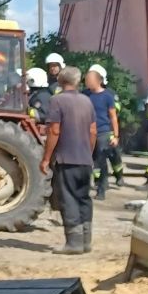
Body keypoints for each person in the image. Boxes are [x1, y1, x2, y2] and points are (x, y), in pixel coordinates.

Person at [40, 66, 97, 254]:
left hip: (67, 158)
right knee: (84, 198)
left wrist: (46, 158)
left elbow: (54, 131)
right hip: (85, 159)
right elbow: (93, 131)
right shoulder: (87, 101)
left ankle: (74, 243)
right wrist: (88, 152)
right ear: (77, 81)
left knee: (69, 198)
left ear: (60, 81)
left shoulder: (57, 101)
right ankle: (86, 240)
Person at [83, 65, 120, 200]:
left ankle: (101, 189)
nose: (87, 82)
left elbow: (113, 116)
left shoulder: (107, 96)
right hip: (87, 133)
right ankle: (86, 188)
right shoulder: (85, 94)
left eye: (90, 80)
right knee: (88, 162)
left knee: (101, 162)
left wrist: (115, 135)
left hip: (103, 133)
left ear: (98, 81)